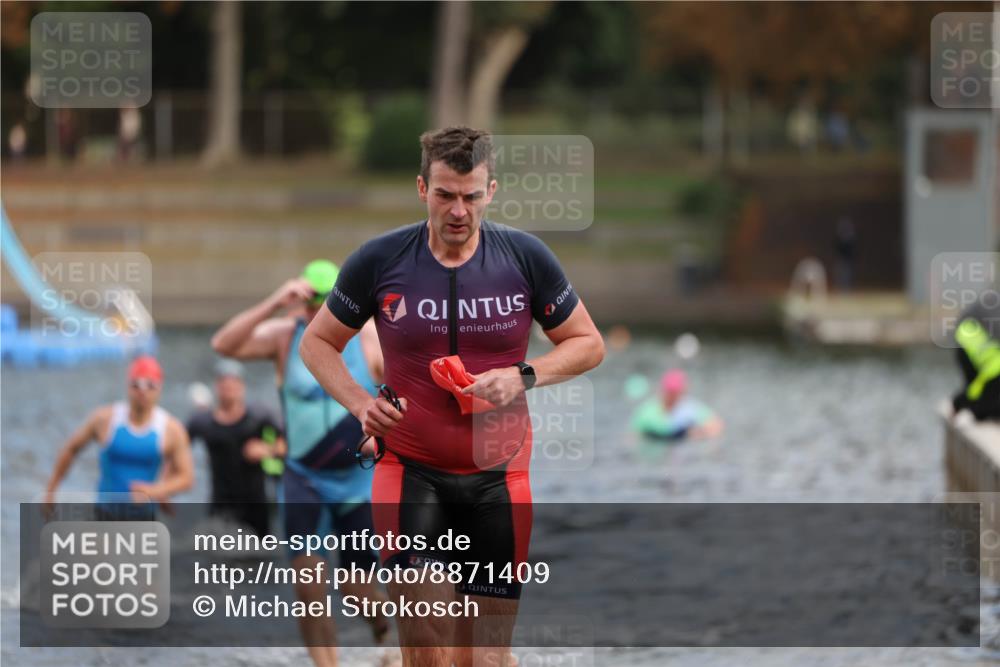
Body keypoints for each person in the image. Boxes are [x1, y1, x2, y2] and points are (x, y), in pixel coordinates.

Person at [299, 126, 605, 667]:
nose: (458, 210)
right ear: (422, 189)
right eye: (445, 195)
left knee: (484, 659)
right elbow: (318, 342)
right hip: (411, 470)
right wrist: (357, 403)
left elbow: (588, 343)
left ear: (492, 190)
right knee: (427, 647)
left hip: (500, 478)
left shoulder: (526, 258)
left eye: (470, 195)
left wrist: (523, 375)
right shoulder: (380, 260)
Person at [211, 259, 389, 667]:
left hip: (357, 482)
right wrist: (275, 301)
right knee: (309, 591)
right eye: (310, 302)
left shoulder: (369, 339)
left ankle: (380, 623)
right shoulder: (284, 337)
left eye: (326, 302)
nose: (317, 312)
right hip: (303, 478)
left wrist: (384, 436)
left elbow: (406, 394)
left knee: (355, 588)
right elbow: (224, 345)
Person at [44, 356, 193, 517]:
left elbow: (186, 477)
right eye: (136, 385)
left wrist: (156, 490)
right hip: (105, 514)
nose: (142, 391)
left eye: (150, 385)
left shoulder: (171, 429)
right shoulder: (104, 419)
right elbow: (71, 449)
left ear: (159, 388)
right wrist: (51, 490)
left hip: (144, 518)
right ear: (128, 386)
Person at [186, 359, 286, 537]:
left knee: (259, 559)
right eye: (224, 384)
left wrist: (266, 449)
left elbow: (290, 445)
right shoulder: (203, 422)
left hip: (256, 506)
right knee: (218, 559)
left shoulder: (259, 416)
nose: (228, 388)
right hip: (220, 504)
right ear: (216, 387)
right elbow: (176, 448)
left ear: (242, 386)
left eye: (233, 383)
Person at [631, 369, 723, 441]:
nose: (672, 396)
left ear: (682, 392)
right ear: (663, 390)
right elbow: (634, 434)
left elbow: (716, 427)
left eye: (675, 392)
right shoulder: (648, 410)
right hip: (656, 442)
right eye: (670, 392)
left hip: (682, 443)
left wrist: (699, 434)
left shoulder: (690, 408)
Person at [951, 300, 1000, 421]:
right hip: (970, 333)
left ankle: (962, 404)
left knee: (979, 389)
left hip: (972, 330)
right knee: (981, 392)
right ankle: (963, 405)